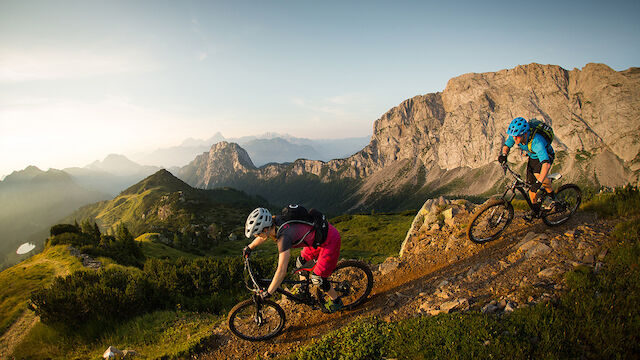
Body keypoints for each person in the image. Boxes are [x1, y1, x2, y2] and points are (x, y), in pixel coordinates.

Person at [242, 207, 344, 313]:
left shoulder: (283, 238)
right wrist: (249, 247)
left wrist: (269, 293)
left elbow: (281, 271)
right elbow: (263, 236)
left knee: (318, 279)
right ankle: (304, 292)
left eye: (258, 234)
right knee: (301, 262)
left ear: (266, 230)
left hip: (330, 241)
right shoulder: (274, 221)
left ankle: (336, 302)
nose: (258, 236)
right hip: (315, 240)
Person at [498, 117, 555, 220]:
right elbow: (507, 145)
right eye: (514, 136)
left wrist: (538, 183)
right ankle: (536, 211)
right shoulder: (516, 136)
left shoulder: (537, 142)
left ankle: (551, 195)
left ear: (524, 134)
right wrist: (504, 154)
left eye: (517, 137)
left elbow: (546, 164)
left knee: (538, 177)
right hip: (533, 157)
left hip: (546, 156)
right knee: (530, 189)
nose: (515, 140)